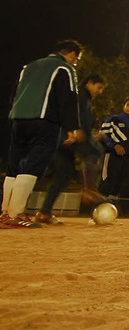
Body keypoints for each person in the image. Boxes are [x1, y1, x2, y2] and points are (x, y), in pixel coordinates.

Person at [1, 39, 82, 229]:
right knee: (33, 165)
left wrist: (14, 116)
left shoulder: (28, 67)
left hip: (19, 120)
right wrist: (71, 127)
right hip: (45, 121)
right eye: (76, 59)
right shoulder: (65, 69)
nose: (75, 62)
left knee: (13, 167)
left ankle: (5, 212)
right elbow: (68, 98)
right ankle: (15, 214)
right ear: (70, 54)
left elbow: (15, 93)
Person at [35, 74, 108, 225]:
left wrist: (91, 135)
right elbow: (69, 111)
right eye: (99, 87)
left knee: (64, 174)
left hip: (62, 138)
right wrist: (73, 129)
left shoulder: (84, 97)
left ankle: (44, 213)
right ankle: (89, 189)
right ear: (89, 83)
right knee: (96, 151)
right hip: (68, 136)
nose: (100, 92)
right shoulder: (79, 94)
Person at [98, 96, 129, 206]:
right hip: (112, 155)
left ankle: (109, 212)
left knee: (119, 184)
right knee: (107, 181)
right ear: (124, 106)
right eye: (128, 105)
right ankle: (96, 211)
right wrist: (114, 145)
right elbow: (102, 135)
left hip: (127, 157)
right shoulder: (113, 119)